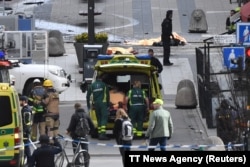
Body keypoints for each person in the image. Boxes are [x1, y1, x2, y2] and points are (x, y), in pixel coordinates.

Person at [66, 103, 95, 167]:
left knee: (76, 151)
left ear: (75, 108)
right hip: (84, 136)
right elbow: (92, 126)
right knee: (85, 150)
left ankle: (77, 164)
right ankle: (86, 164)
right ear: (81, 107)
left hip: (76, 136)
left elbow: (71, 126)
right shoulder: (86, 115)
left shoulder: (74, 115)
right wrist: (89, 133)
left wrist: (67, 131)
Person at [86, 75, 110, 140]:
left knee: (99, 118)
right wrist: (108, 105)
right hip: (103, 103)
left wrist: (88, 106)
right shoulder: (104, 85)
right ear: (101, 79)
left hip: (96, 104)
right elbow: (107, 95)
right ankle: (102, 134)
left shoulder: (92, 85)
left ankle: (100, 134)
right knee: (104, 118)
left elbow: (88, 96)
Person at [20, 96, 32, 165]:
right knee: (25, 146)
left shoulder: (25, 110)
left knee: (26, 146)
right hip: (27, 130)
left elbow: (26, 122)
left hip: (25, 131)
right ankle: (27, 160)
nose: (19, 102)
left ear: (24, 101)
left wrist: (24, 131)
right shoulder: (27, 108)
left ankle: (29, 161)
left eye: (20, 101)